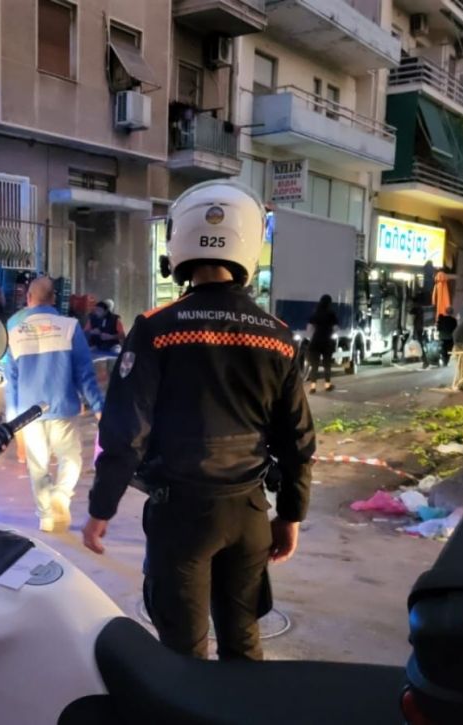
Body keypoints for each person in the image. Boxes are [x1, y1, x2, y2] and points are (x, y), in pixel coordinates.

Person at [83, 179, 315, 661]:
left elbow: (125, 433)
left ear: (178, 245)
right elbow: (297, 441)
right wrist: (290, 515)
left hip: (180, 517)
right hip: (249, 513)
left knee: (182, 654)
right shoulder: (277, 338)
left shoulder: (156, 329)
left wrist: (101, 509)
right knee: (243, 643)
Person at [4, 277, 105, 532]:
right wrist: (98, 406)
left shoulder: (15, 333)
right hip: (62, 408)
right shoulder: (69, 327)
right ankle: (61, 494)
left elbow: (11, 382)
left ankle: (46, 517)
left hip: (27, 415)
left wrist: (12, 424)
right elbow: (84, 373)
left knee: (37, 466)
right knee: (70, 458)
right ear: (53, 299)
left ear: (28, 299)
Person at [307, 294, 338, 393]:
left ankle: (313, 387)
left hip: (315, 342)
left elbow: (309, 328)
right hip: (327, 342)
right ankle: (327, 385)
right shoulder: (331, 314)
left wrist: (312, 338)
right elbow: (335, 328)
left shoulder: (315, 313)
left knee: (314, 366)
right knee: (327, 365)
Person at [411, 301, 429, 369]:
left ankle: (425, 361)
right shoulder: (420, 311)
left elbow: (411, 312)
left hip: (418, 330)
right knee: (419, 346)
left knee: (419, 346)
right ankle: (424, 361)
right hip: (419, 330)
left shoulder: (418, 311)